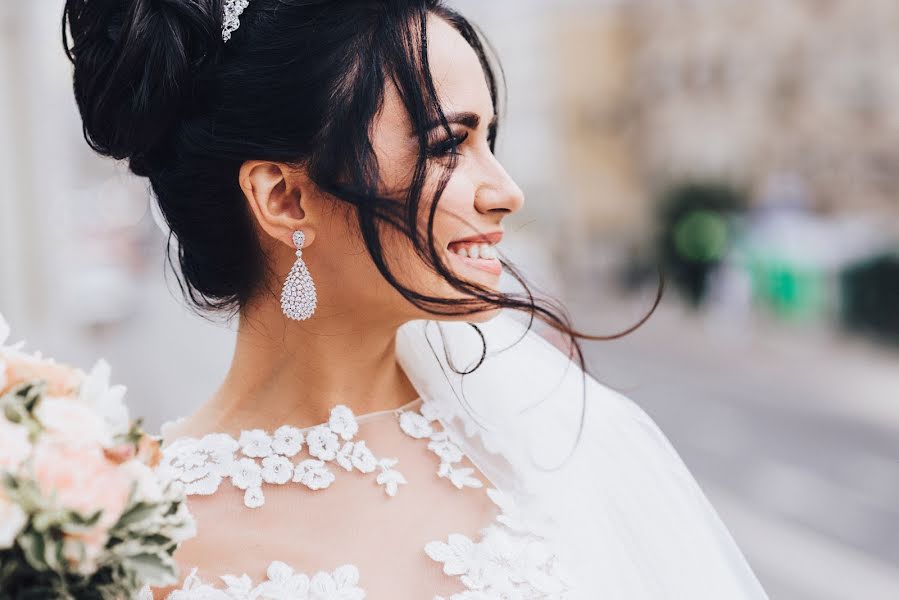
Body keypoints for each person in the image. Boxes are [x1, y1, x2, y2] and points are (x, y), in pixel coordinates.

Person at [61, 1, 770, 598]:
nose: (505, 192)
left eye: (487, 140)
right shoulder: (122, 531)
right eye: (446, 146)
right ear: (283, 198)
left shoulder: (542, 442)